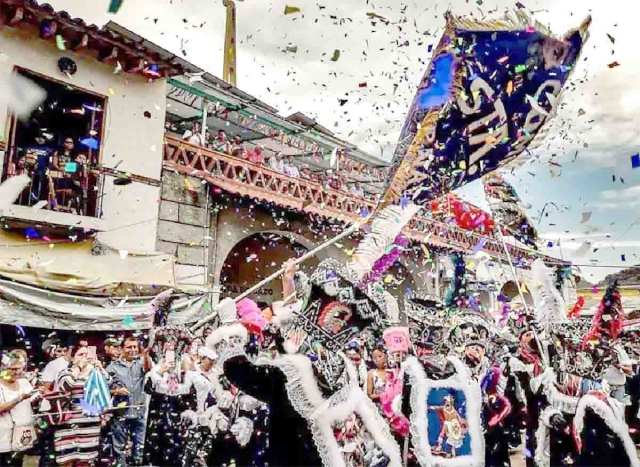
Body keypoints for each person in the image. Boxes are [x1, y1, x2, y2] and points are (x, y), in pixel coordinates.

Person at [53, 345, 106, 466]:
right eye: (80, 354)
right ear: (72, 358)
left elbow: (107, 384)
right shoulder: (65, 372)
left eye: (86, 355)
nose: (84, 357)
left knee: (86, 461)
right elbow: (65, 386)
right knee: (66, 460)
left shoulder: (95, 372)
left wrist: (100, 368)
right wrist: (79, 367)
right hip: (67, 424)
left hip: (89, 424)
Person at [106, 336, 149, 467]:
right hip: (120, 413)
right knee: (119, 447)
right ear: (122, 349)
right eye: (129, 347)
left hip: (139, 411)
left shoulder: (141, 363)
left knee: (140, 446)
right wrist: (116, 392)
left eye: (135, 347)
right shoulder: (112, 367)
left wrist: (146, 354)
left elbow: (149, 369)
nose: (132, 350)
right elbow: (104, 389)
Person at [0, 353, 39, 467]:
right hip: (4, 437)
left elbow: (32, 402)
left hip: (23, 434)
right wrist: (19, 398)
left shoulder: (23, 382)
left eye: (19, 369)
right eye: (13, 369)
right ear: (3, 368)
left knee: (19, 462)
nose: (17, 372)